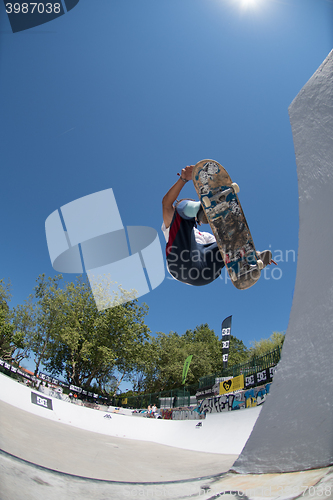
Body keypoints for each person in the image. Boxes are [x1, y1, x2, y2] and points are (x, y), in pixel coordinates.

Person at [162, 165, 274, 286]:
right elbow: (166, 204)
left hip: (204, 272)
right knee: (180, 206)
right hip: (180, 264)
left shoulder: (206, 236)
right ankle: (200, 208)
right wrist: (183, 179)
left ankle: (247, 262)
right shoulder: (174, 227)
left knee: (228, 241)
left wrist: (254, 253)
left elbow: (226, 247)